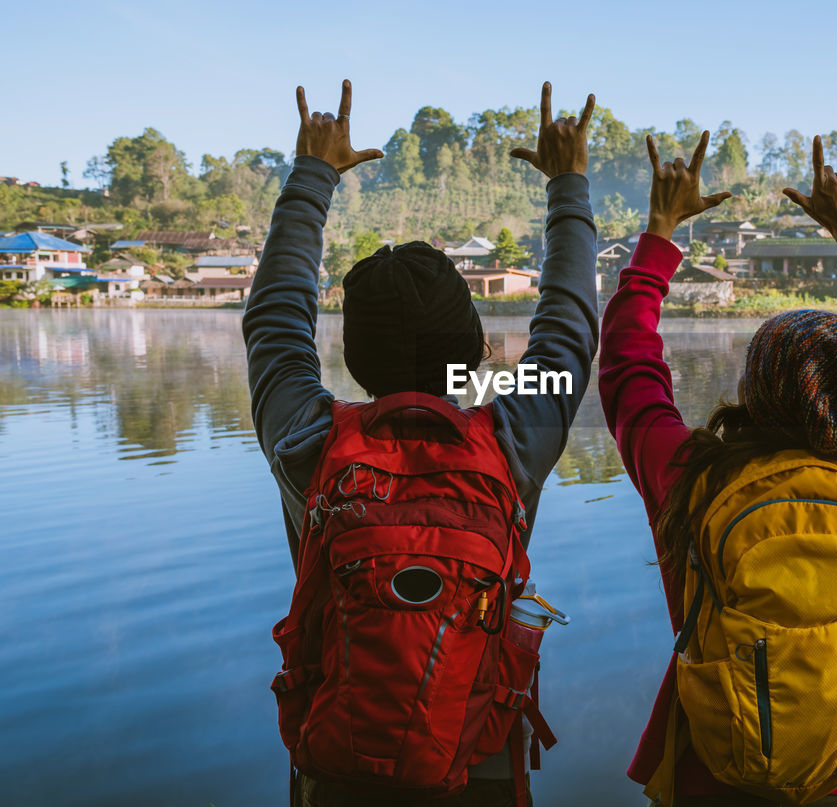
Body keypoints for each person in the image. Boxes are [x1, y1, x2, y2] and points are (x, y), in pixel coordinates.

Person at [243, 79, 599, 806]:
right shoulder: (512, 441)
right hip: (478, 761)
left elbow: (275, 319)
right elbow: (567, 329)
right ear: (469, 348)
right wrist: (568, 185)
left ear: (354, 356)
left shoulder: (309, 443)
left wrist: (314, 172)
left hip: (337, 760)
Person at [598, 131, 837, 806]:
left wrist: (660, 232)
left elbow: (628, 367)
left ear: (753, 391)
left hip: (710, 778)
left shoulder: (692, 476)